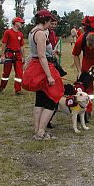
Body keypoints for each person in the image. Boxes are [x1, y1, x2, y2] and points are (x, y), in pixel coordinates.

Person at [22, 9, 64, 140]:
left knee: (40, 100)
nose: (50, 23)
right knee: (52, 98)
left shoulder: (32, 31)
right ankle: (41, 132)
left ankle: (37, 130)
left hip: (37, 66)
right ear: (45, 20)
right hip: (43, 68)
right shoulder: (40, 34)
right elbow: (42, 56)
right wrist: (49, 76)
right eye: (50, 20)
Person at [0, 17, 25, 95]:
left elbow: (22, 46)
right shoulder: (8, 32)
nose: (22, 24)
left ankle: (18, 90)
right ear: (15, 22)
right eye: (20, 22)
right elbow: (4, 43)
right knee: (6, 73)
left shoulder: (20, 34)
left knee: (19, 73)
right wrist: (2, 55)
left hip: (18, 55)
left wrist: (23, 56)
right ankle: (1, 88)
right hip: (9, 54)